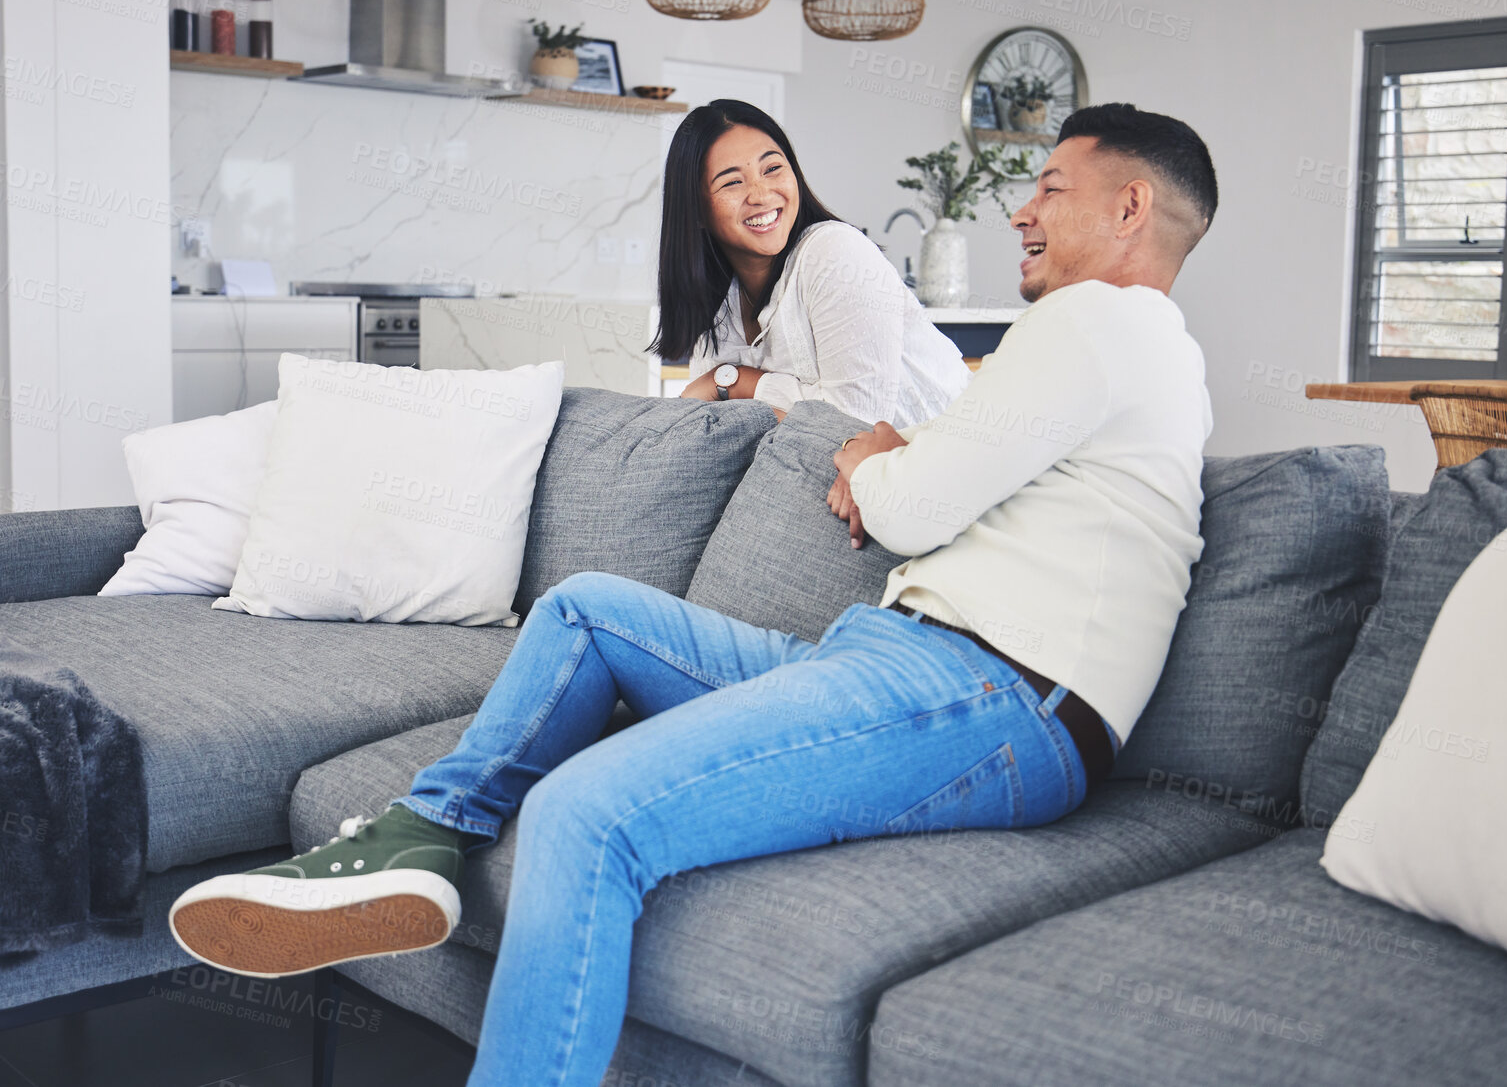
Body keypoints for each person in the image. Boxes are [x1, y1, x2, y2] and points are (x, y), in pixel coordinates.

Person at [167, 103, 1218, 1087]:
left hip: (995, 695)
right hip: (910, 661)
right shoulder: (1112, 348)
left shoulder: (1100, 323)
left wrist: (874, 455)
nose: (1021, 211)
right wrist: (896, 452)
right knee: (585, 609)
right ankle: (422, 840)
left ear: (1131, 208)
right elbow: (935, 463)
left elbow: (906, 501)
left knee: (584, 815)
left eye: (1049, 189)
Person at [657, 99, 971, 426]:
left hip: (950, 463)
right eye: (732, 182)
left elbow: (855, 425)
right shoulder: (718, 304)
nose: (761, 195)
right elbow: (706, 426)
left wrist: (736, 382)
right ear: (696, 211)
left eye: (772, 168)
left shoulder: (836, 252)